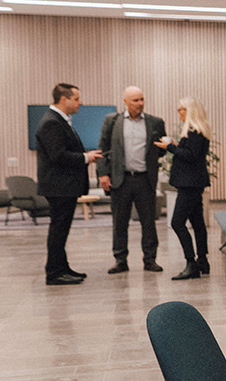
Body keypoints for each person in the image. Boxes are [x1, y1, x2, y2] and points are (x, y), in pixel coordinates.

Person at [34, 83, 104, 285]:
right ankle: (55, 272)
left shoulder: (59, 120)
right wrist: (86, 157)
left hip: (63, 186)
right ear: (64, 99)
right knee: (58, 229)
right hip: (59, 186)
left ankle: (62, 267)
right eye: (76, 99)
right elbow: (58, 155)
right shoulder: (52, 122)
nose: (80, 103)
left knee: (62, 229)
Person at [96, 86, 166, 274]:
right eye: (135, 100)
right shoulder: (112, 121)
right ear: (125, 101)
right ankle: (120, 260)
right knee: (120, 222)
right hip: (121, 180)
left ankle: (150, 260)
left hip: (145, 179)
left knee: (148, 222)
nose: (140, 103)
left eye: (142, 99)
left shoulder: (155, 122)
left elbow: (161, 150)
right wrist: (103, 174)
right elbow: (102, 148)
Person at [155, 97, 212, 280]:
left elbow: (191, 156)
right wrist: (176, 145)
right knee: (197, 222)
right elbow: (191, 153)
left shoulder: (194, 130)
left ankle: (191, 263)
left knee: (177, 223)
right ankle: (202, 261)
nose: (179, 112)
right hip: (193, 182)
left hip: (189, 184)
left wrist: (170, 147)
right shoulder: (197, 130)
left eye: (181, 109)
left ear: (190, 111)